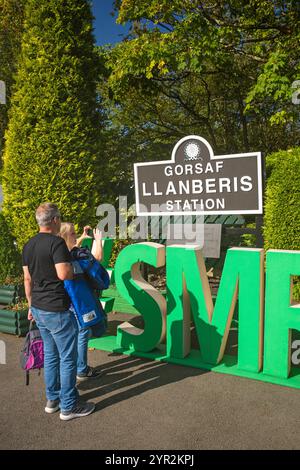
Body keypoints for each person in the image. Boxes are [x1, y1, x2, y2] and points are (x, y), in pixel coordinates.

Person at [22, 203, 96, 421]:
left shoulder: (28, 245)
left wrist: (30, 305)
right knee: (67, 358)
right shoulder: (56, 243)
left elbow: (27, 279)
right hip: (57, 309)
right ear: (54, 220)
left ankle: (52, 400)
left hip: (39, 307)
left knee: (52, 355)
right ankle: (69, 406)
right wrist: (77, 271)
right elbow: (64, 274)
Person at [59, 222, 105, 380]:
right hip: (77, 303)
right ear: (65, 236)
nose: (75, 235)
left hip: (66, 302)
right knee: (83, 333)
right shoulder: (75, 254)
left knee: (75, 335)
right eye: (72, 233)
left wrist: (82, 237)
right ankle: (81, 369)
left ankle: (77, 367)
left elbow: (72, 245)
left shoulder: (60, 252)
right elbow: (97, 259)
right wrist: (98, 240)